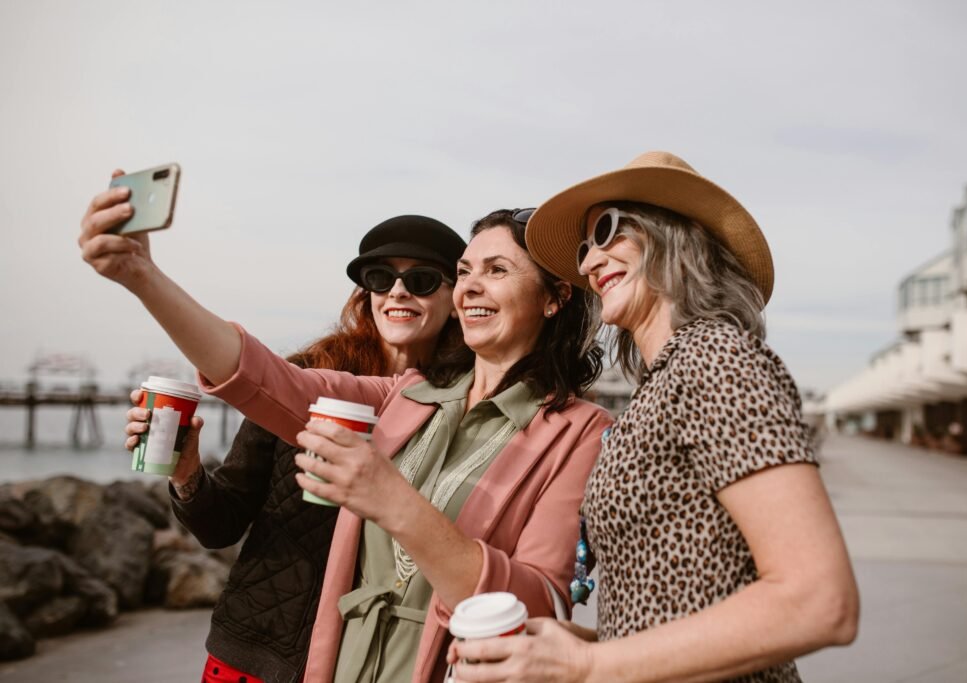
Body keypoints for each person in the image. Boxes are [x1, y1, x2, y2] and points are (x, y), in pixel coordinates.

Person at [79, 184, 611, 683]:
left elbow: (543, 603)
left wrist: (391, 500)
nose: (471, 285)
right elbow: (260, 376)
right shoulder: (403, 394)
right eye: (466, 269)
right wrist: (141, 276)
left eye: (496, 270)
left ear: (554, 297)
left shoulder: (581, 431)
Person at [448, 152, 860, 682]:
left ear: (675, 235)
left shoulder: (715, 358)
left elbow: (821, 601)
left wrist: (589, 665)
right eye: (584, 248)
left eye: (607, 230)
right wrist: (576, 644)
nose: (591, 262)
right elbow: (683, 604)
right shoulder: (662, 382)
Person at [122, 214, 466, 683]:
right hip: (255, 651)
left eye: (422, 280)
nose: (398, 292)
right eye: (381, 278)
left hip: (377, 664)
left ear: (455, 298)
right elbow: (220, 525)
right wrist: (186, 474)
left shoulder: (464, 408)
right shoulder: (302, 378)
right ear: (366, 293)